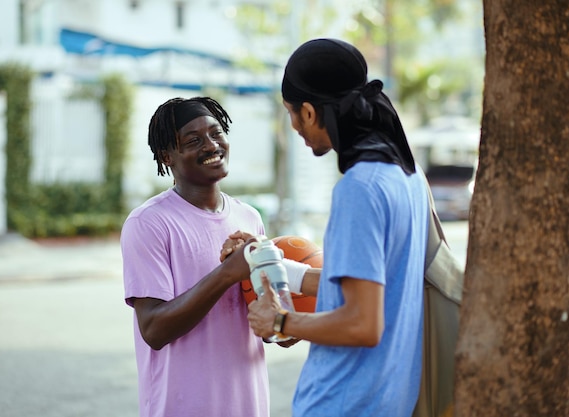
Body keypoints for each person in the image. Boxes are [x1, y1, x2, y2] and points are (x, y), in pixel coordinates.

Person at [246, 38, 430, 417]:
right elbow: (372, 285)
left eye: (292, 113)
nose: (294, 126)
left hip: (344, 404)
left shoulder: (359, 189)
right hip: (389, 402)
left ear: (310, 112)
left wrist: (279, 319)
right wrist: (287, 271)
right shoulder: (407, 177)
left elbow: (362, 323)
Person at [120, 97, 270, 417]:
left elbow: (272, 329)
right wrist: (228, 272)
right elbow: (154, 330)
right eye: (193, 140)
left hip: (249, 407)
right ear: (167, 157)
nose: (211, 145)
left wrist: (278, 285)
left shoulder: (249, 217)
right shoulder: (148, 223)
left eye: (217, 134)